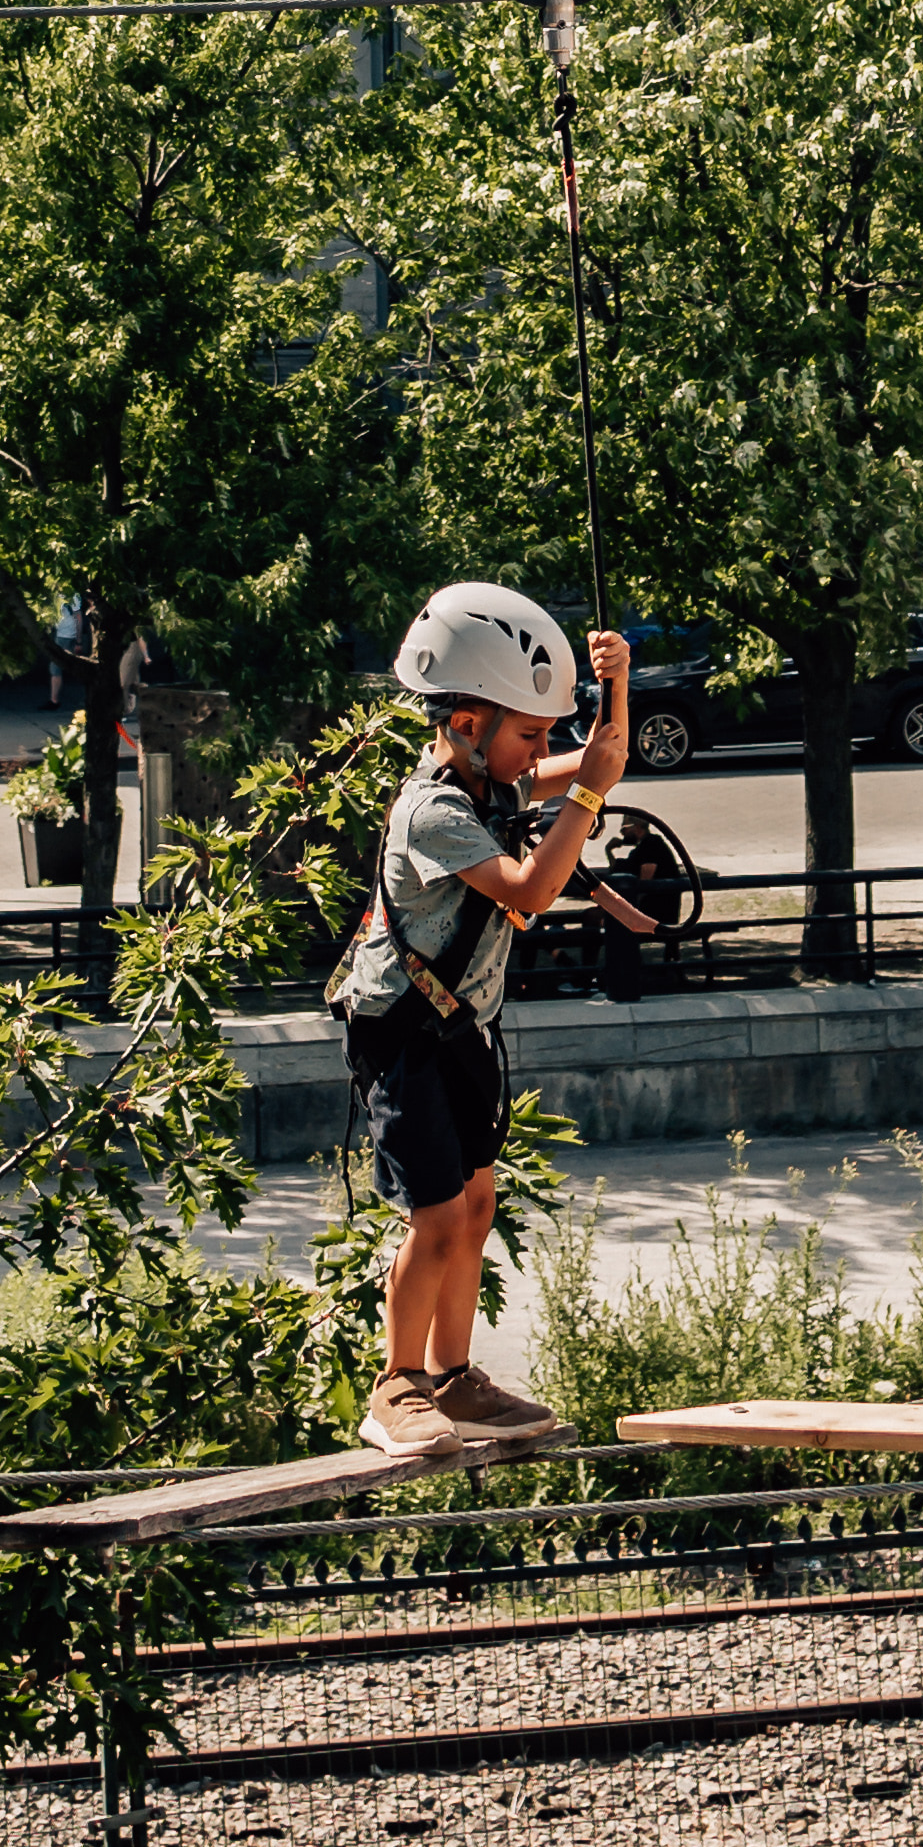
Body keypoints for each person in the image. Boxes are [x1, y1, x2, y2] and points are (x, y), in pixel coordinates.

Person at [328, 586, 658, 1458]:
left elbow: (602, 759)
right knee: (435, 1215)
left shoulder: (492, 779)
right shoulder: (434, 811)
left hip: (460, 1032)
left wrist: (616, 684)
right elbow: (531, 890)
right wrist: (584, 796)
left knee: (475, 1203)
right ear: (468, 723)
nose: (541, 752)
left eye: (545, 736)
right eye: (529, 735)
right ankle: (395, 1387)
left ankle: (453, 1377)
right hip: (405, 1034)